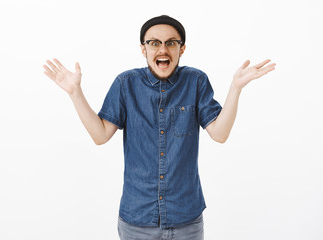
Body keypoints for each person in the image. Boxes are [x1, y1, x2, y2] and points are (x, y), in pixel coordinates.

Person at [43, 15, 276, 240]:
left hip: (186, 219)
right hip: (137, 220)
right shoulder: (126, 84)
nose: (162, 50)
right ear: (143, 49)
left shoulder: (196, 81)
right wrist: (75, 92)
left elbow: (220, 133)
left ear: (181, 49)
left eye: (171, 43)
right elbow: (100, 134)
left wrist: (235, 88)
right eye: (154, 43)